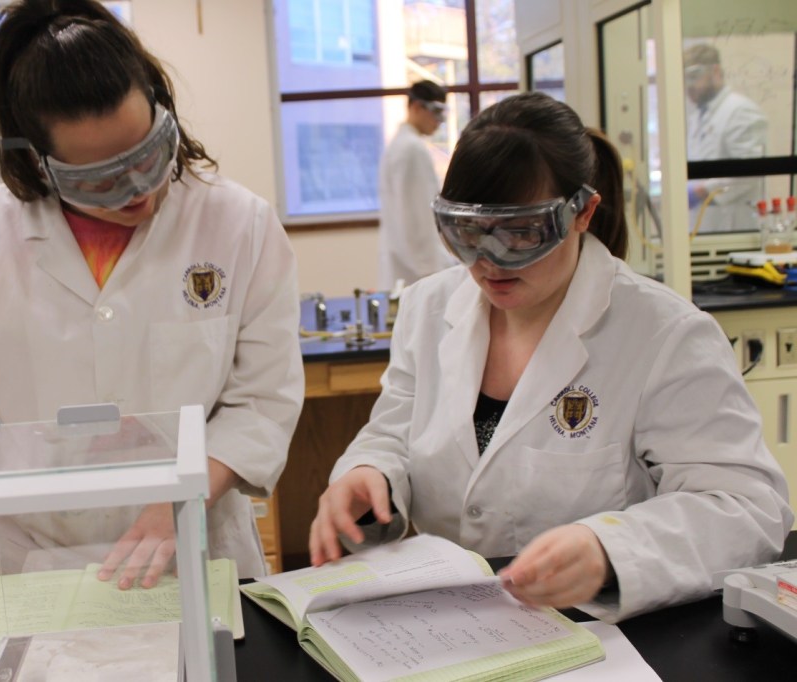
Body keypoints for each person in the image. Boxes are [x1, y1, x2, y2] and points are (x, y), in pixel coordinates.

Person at [309, 91, 792, 622]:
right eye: (466, 233)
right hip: (449, 628)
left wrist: (611, 550)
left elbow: (749, 510)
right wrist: (369, 472)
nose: (489, 262)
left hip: (603, 639)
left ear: (582, 213)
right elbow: (394, 433)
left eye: (520, 233)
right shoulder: (429, 308)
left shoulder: (665, 335)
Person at [0, 0, 303, 587]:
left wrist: (181, 496)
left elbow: (262, 398)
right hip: (31, 563)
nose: (138, 190)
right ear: (37, 162)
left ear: (161, 106)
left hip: (196, 550)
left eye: (150, 153)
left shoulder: (239, 224)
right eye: (99, 179)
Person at [377, 80, 456, 292]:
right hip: (418, 274)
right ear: (416, 107)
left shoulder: (398, 145)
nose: (439, 121)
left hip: (404, 269)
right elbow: (418, 222)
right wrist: (437, 273)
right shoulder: (412, 150)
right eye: (435, 112)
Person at [683, 43, 768, 234]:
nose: (689, 86)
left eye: (695, 76)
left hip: (735, 227)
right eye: (685, 79)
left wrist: (701, 190)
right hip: (705, 224)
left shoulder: (741, 111)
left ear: (716, 71)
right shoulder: (699, 115)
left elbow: (749, 172)